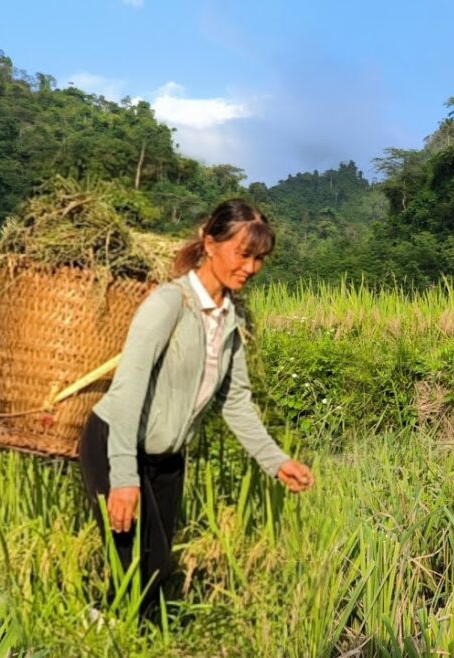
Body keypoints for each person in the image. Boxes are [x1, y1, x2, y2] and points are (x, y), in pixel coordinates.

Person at [78, 199, 313, 619]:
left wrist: (276, 461)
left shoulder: (229, 321)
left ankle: (132, 634)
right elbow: (129, 389)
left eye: (260, 259)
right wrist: (124, 477)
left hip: (167, 456)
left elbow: (236, 402)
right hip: (116, 440)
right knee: (137, 562)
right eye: (244, 254)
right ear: (209, 242)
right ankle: (101, 632)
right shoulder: (170, 303)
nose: (252, 268)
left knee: (155, 567)